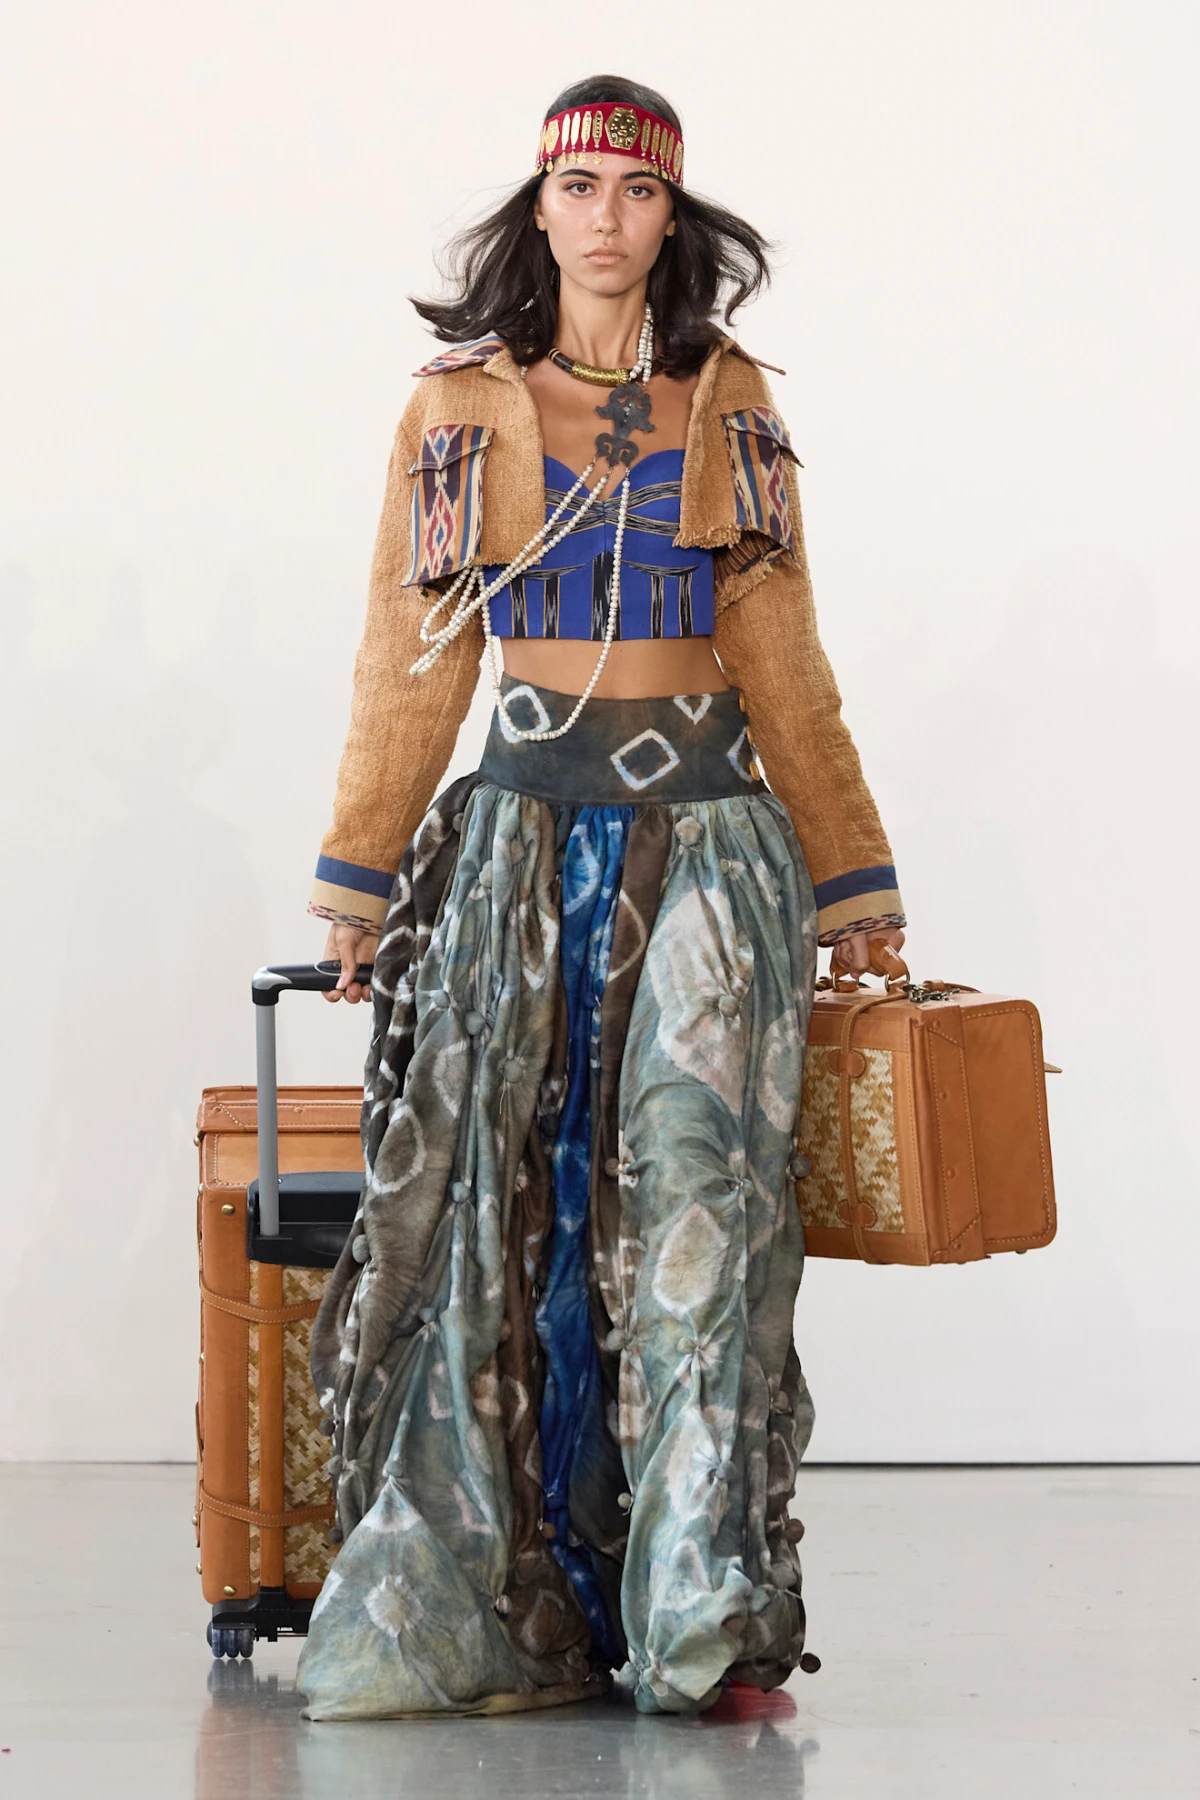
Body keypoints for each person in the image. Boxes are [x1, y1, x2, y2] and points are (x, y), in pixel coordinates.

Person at [296, 75, 905, 1721]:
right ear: (542, 205)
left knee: (705, 1212)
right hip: (514, 853)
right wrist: (358, 885)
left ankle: (704, 1616)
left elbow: (784, 653)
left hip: (709, 842)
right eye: (580, 187)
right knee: (492, 1213)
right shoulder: (458, 409)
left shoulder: (731, 397)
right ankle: (506, 1607)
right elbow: (409, 659)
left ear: (672, 215)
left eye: (639, 191)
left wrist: (854, 881)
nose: (607, 217)